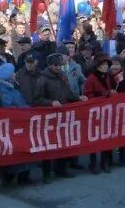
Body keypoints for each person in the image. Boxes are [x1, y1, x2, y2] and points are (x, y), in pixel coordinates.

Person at [34, 54, 87, 182]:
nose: (58, 67)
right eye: (56, 65)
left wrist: (78, 97)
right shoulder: (42, 79)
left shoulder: (62, 76)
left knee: (63, 142)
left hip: (62, 115)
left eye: (60, 65)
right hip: (48, 116)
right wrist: (50, 102)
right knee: (49, 145)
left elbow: (67, 93)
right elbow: (37, 99)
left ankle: (61, 168)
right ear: (50, 65)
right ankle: (46, 173)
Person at [83, 56, 115, 173]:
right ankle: (93, 163)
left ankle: (105, 162)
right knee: (94, 138)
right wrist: (100, 97)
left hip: (106, 111)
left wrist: (110, 94)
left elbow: (108, 89)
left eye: (107, 65)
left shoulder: (107, 77)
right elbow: (87, 93)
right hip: (95, 111)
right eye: (103, 65)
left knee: (105, 137)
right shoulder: (91, 78)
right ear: (98, 66)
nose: (106, 67)